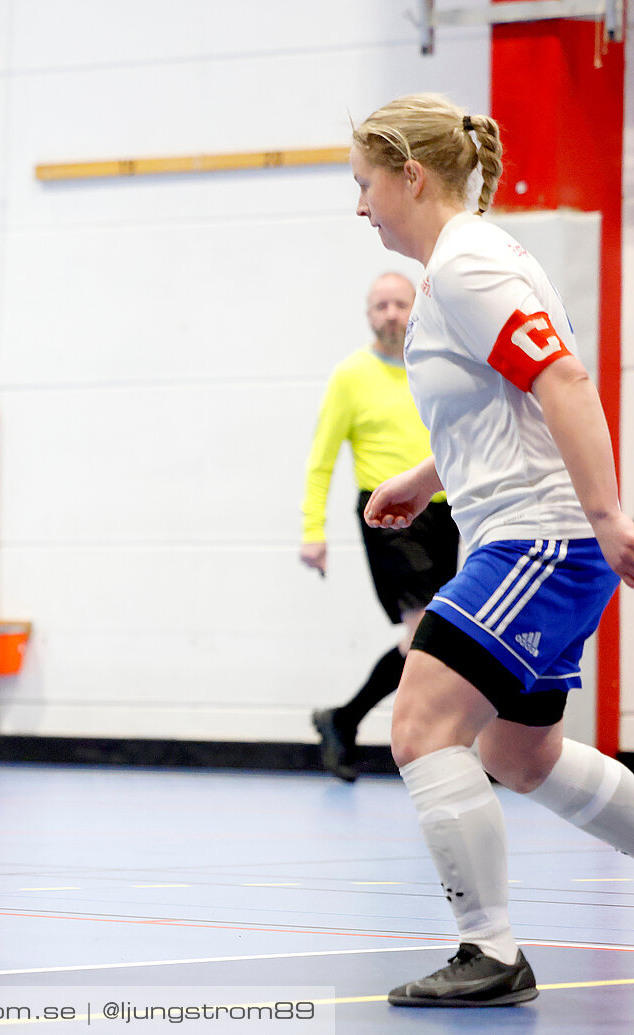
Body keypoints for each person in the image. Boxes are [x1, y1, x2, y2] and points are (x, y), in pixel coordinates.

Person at [352, 93, 634, 1007]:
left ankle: (491, 951)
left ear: (411, 175)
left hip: (537, 540)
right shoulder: (469, 261)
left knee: (419, 724)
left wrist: (606, 515)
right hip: (536, 535)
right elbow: (504, 398)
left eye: (364, 184)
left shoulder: (469, 263)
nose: (360, 207)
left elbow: (563, 378)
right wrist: (423, 478)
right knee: (522, 756)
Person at [301, 273, 460, 781]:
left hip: (442, 514)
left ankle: (342, 719)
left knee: (434, 636)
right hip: (388, 513)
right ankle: (434, 749)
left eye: (400, 304)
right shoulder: (351, 375)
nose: (391, 313)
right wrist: (313, 530)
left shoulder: (435, 367)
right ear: (369, 315)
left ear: (415, 309)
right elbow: (321, 460)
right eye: (381, 305)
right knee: (421, 633)